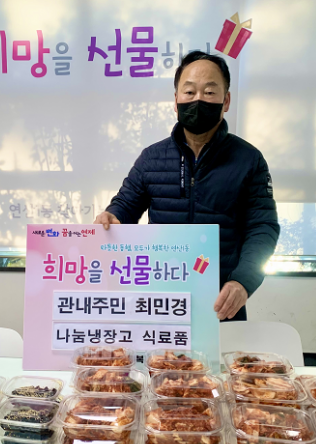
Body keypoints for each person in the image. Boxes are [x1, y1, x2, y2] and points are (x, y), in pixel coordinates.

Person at [94, 51, 280, 321]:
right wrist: (113, 216)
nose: (198, 100)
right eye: (190, 91)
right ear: (176, 100)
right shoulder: (152, 158)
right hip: (160, 300)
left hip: (222, 303)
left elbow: (262, 227)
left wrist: (243, 281)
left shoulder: (249, 160)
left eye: (210, 92)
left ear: (226, 101)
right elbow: (125, 205)